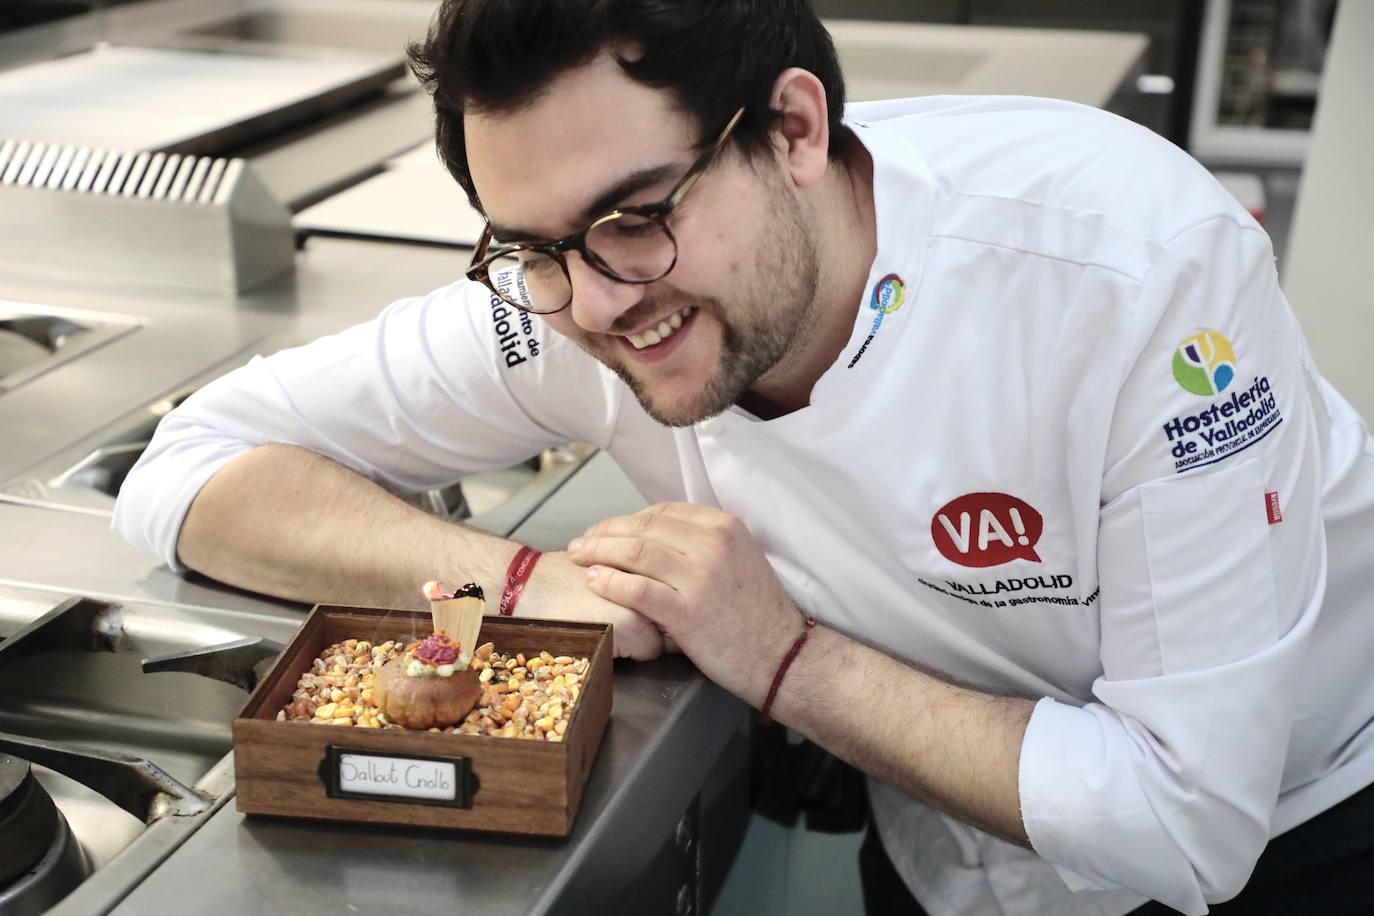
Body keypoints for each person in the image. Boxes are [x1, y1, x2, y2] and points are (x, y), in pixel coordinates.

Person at [112, 1, 1374, 913]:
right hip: (945, 847)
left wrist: (783, 655)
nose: (598, 304)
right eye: (533, 247)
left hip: (1305, 829)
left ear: (794, 127)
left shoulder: (1136, 278)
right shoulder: (564, 298)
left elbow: (1189, 820)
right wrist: (516, 584)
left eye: (640, 218)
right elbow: (187, 463)